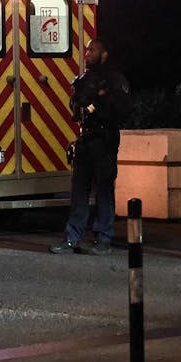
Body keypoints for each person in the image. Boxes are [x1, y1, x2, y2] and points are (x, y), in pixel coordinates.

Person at [50, 37, 133, 255]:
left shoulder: (115, 80)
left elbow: (123, 110)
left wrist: (100, 102)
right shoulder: (82, 80)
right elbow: (75, 109)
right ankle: (72, 237)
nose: (87, 53)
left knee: (104, 188)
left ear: (104, 55)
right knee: (79, 189)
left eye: (92, 50)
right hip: (86, 138)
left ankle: (104, 238)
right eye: (86, 50)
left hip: (105, 138)